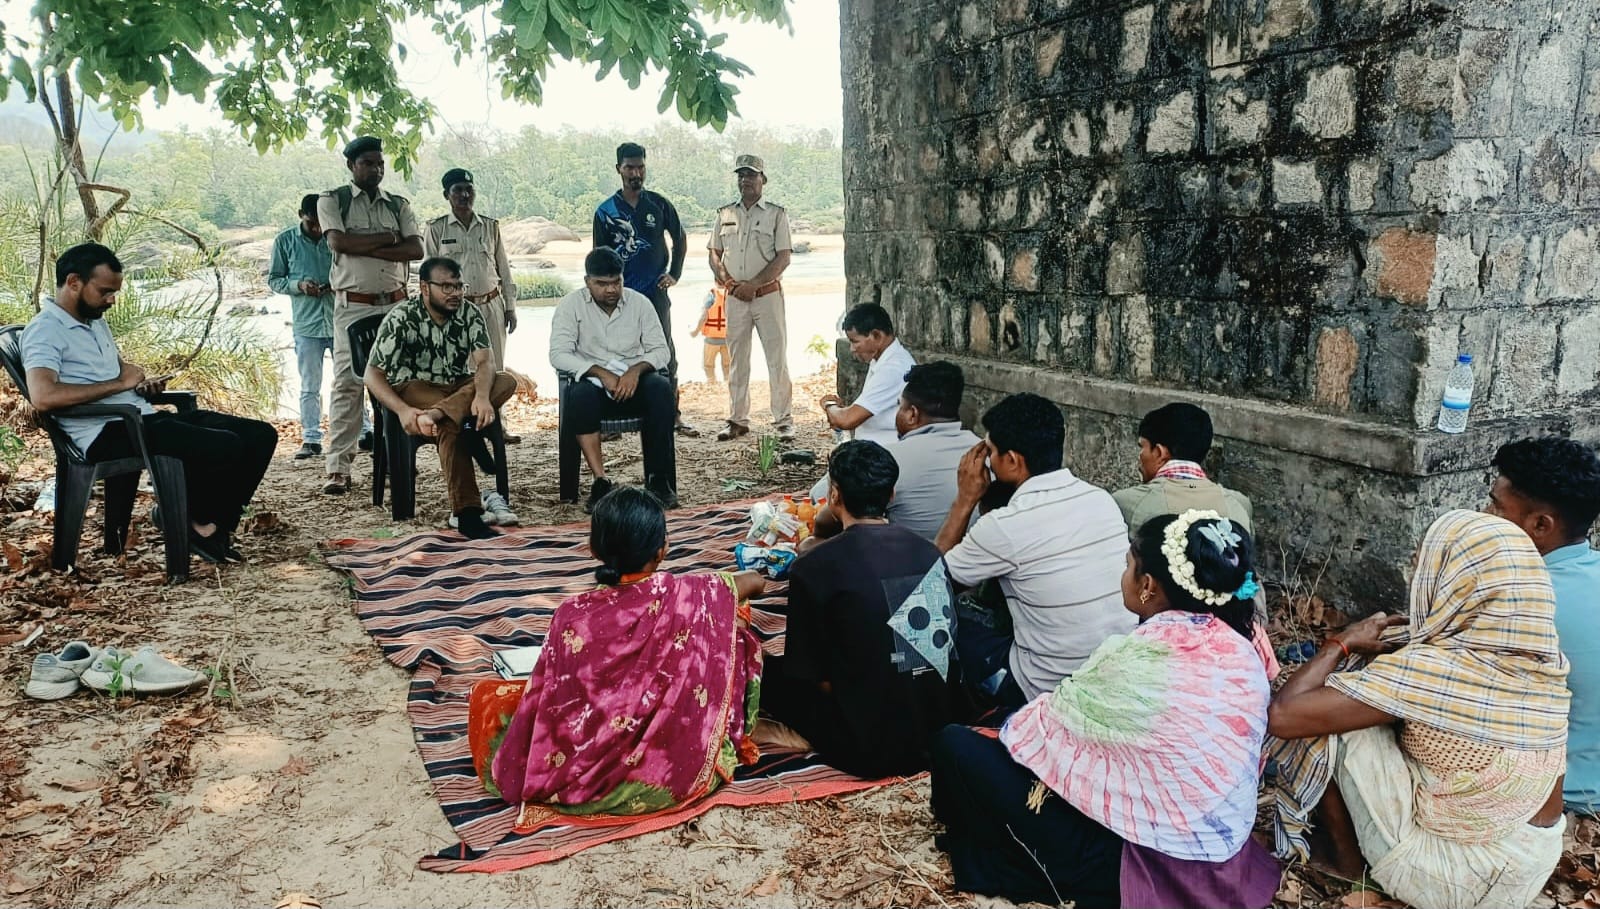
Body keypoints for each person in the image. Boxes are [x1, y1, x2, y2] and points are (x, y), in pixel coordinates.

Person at [931, 510, 1282, 908]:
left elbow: (1041, 731)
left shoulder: (1141, 657)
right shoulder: (1242, 646)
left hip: (1137, 861)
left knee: (954, 744)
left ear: (1147, 585)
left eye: (1128, 565)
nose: (1125, 574)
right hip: (1217, 856)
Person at [1267, 510, 1569, 909]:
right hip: (1532, 862)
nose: (1416, 571)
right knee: (1367, 701)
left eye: (1426, 565)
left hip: (1457, 881)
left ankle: (1347, 864)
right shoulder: (1541, 657)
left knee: (1330, 723)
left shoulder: (1436, 672)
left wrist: (1339, 644)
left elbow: (1284, 715)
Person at [480, 485, 766, 818]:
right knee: (737, 636)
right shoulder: (691, 593)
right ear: (662, 550)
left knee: (490, 702)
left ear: (592, 548)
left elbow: (548, 701)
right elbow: (754, 582)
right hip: (675, 775)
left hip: (580, 778)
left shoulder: (571, 614)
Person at [21, 242, 279, 563]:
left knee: (260, 435)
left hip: (136, 416)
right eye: (104, 291)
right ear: (74, 282)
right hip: (102, 433)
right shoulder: (45, 331)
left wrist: (141, 386)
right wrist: (119, 384)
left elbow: (117, 375)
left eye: (114, 292)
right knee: (222, 446)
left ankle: (208, 526)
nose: (111, 300)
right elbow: (44, 397)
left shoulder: (94, 321)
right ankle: (189, 523)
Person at [762, 441, 961, 778]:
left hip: (867, 748)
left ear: (834, 496)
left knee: (766, 670)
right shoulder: (929, 553)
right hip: (938, 732)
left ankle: (800, 734)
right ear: (892, 494)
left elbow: (812, 676)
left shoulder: (813, 566)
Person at [935, 392, 1131, 708]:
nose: (988, 462)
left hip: (1046, 687)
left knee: (951, 619)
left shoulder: (1004, 525)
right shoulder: (1100, 498)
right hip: (1116, 673)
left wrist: (965, 499)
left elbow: (932, 586)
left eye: (992, 452)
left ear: (1012, 460)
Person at [361, 256, 517, 538]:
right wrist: (402, 411)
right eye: (446, 287)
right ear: (424, 287)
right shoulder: (401, 317)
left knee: (505, 380)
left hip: (457, 385)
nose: (455, 293)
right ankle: (468, 511)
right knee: (452, 425)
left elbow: (485, 362)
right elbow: (372, 375)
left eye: (458, 286)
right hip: (414, 387)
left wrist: (481, 396)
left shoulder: (469, 312)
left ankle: (445, 416)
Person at [1485, 436, 1600, 815]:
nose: (1485, 515)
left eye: (1497, 507)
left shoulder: (1520, 599)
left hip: (1562, 794)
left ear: (1539, 525)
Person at [316, 135, 423, 496]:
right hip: (353, 305)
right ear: (352, 166)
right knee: (348, 383)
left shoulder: (397, 204)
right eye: (368, 163)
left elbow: (417, 248)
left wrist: (370, 244)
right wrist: (389, 240)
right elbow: (339, 244)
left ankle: (397, 461)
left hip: (395, 303)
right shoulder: (333, 201)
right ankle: (338, 469)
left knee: (399, 381)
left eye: (380, 163)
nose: (376, 169)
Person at [550, 248, 677, 512]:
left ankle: (657, 481)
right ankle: (601, 482)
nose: (610, 290)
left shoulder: (640, 303)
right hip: (594, 390)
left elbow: (661, 351)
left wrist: (636, 370)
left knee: (661, 388)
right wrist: (599, 372)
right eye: (602, 284)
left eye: (616, 282)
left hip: (635, 386)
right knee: (579, 395)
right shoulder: (570, 306)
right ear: (588, 282)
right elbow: (559, 355)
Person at [811, 361, 979, 542]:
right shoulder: (984, 452)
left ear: (912, 414)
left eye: (900, 406)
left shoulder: (888, 459)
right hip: (973, 560)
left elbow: (820, 500)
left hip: (906, 561)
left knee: (813, 545)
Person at [593, 142, 696, 437]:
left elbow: (680, 238)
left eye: (640, 167)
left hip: (655, 293)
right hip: (618, 296)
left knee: (663, 352)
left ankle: (671, 414)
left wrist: (674, 274)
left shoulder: (659, 204)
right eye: (629, 167)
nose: (635, 172)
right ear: (618, 169)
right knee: (611, 351)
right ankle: (611, 418)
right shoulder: (605, 211)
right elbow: (598, 258)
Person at [424, 168, 521, 445]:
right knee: (461, 369)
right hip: (455, 309)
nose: (465, 195)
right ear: (447, 195)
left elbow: (503, 267)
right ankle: (466, 427)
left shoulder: (490, 226)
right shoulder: (437, 228)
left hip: (491, 303)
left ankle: (498, 427)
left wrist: (510, 306)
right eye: (458, 190)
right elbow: (429, 272)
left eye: (469, 189)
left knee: (496, 366)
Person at [709, 154, 794, 442]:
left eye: (751, 175)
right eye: (741, 175)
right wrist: (729, 281)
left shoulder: (776, 214)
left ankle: (783, 420)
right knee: (737, 360)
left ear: (763, 179)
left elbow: (783, 258)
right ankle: (737, 420)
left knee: (776, 359)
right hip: (735, 298)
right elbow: (714, 252)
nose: (745, 180)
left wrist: (755, 285)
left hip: (767, 297)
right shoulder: (724, 214)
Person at [267, 194, 337, 460]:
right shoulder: (285, 241)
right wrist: (299, 286)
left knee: (349, 381)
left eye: (321, 221)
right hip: (307, 323)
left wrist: (334, 284)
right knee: (310, 384)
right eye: (312, 221)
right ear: (301, 215)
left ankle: (362, 430)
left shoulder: (335, 238)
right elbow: (274, 279)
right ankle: (311, 437)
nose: (318, 227)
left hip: (337, 319)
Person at [1113, 402, 1253, 534]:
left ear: (1160, 452)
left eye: (1142, 447)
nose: (1139, 457)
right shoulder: (1240, 505)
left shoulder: (1126, 504)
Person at [819, 303, 916, 448]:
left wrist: (829, 405)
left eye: (855, 341)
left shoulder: (893, 369)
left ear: (877, 335)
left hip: (886, 454)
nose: (852, 349)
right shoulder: (880, 358)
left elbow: (846, 420)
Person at [689, 286, 730, 384]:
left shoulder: (711, 295)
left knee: (708, 365)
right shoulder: (730, 295)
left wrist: (695, 332)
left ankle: (711, 381)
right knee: (727, 365)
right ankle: (727, 382)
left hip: (712, 339)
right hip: (727, 338)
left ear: (716, 281)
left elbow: (704, 316)